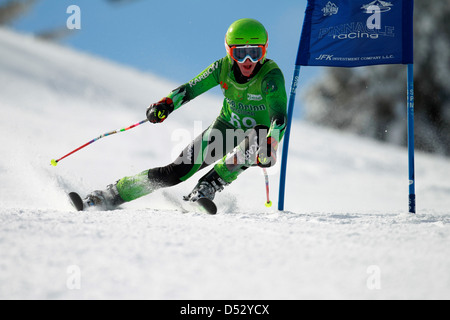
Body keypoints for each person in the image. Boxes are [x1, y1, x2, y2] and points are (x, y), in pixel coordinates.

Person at [79, 18, 287, 211]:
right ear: (229, 52)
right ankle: (111, 194)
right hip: (225, 129)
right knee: (174, 173)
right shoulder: (221, 68)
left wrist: (271, 146)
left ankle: (207, 187)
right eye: (240, 54)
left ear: (265, 51)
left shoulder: (271, 77)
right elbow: (190, 89)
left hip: (258, 136)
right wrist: (165, 105)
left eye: (255, 53)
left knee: (259, 135)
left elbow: (278, 119)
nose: (248, 61)